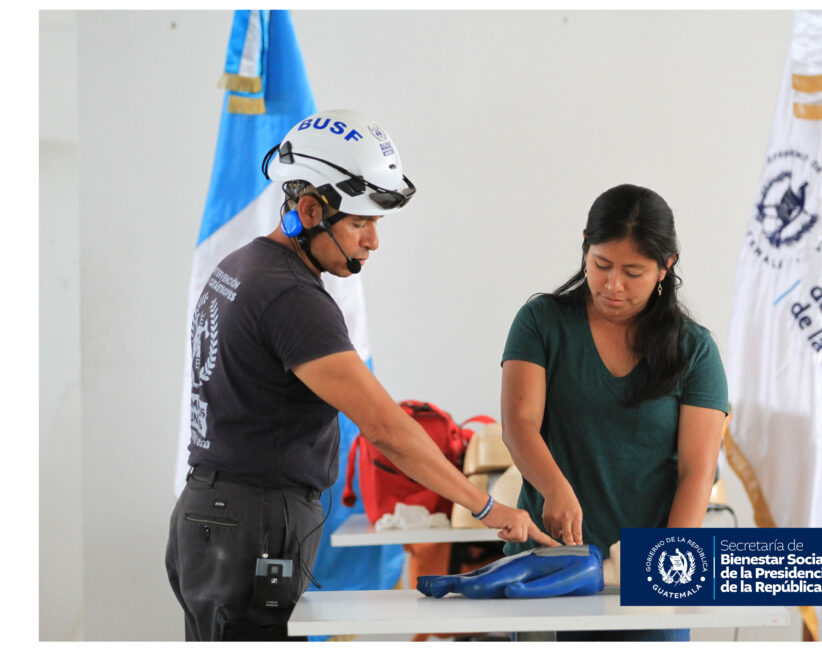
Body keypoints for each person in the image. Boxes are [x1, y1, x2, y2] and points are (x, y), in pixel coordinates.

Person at [166, 109, 557, 641]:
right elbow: (387, 429)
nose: (373, 241)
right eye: (359, 222)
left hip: (213, 516)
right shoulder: (292, 298)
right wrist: (486, 507)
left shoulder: (239, 267)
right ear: (308, 209)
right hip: (252, 522)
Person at [500, 183, 729, 641]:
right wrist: (555, 489)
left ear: (666, 268)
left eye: (634, 272)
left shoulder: (695, 350)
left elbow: (697, 473)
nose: (613, 284)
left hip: (643, 581)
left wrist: (670, 566)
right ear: (585, 247)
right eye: (601, 265)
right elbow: (519, 425)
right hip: (548, 568)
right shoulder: (541, 322)